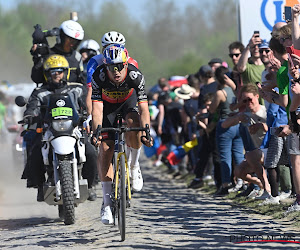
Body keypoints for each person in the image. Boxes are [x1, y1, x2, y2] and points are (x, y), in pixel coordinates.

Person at [91, 44, 152, 225]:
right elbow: (97, 109)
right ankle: (107, 203)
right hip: (107, 107)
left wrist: (146, 131)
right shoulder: (99, 76)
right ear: (106, 66)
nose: (116, 71)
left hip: (128, 103)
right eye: (111, 67)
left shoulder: (135, 76)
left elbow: (144, 109)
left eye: (119, 66)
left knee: (135, 123)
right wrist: (97, 132)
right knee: (106, 148)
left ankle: (133, 166)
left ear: (126, 64)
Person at [21, 54, 95, 201]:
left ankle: (91, 185)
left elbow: (88, 104)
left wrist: (88, 114)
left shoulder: (77, 89)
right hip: (49, 130)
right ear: (46, 74)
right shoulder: (40, 92)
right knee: (35, 151)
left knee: (91, 151)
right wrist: (30, 115)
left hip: (73, 128)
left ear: (66, 72)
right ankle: (40, 185)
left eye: (59, 71)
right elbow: (32, 106)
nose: (56, 74)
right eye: (52, 72)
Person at [222, 84, 270, 199]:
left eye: (250, 99)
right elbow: (224, 125)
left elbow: (275, 129)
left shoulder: (265, 112)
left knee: (251, 155)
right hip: (256, 153)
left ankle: (268, 189)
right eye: (244, 101)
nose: (248, 103)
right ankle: (258, 183)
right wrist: (237, 118)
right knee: (238, 171)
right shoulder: (245, 115)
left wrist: (262, 126)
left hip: (270, 149)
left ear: (257, 96)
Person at [208, 66, 244, 195]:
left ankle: (226, 183)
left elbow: (212, 109)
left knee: (225, 156)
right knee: (239, 154)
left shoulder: (220, 93)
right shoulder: (235, 91)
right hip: (238, 123)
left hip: (225, 124)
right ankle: (243, 181)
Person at [31, 20, 85, 85]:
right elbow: (36, 79)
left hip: (73, 94)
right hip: (50, 93)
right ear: (61, 37)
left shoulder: (77, 57)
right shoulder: (48, 55)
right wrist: (38, 58)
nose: (71, 44)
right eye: (69, 41)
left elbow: (83, 81)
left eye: (75, 42)